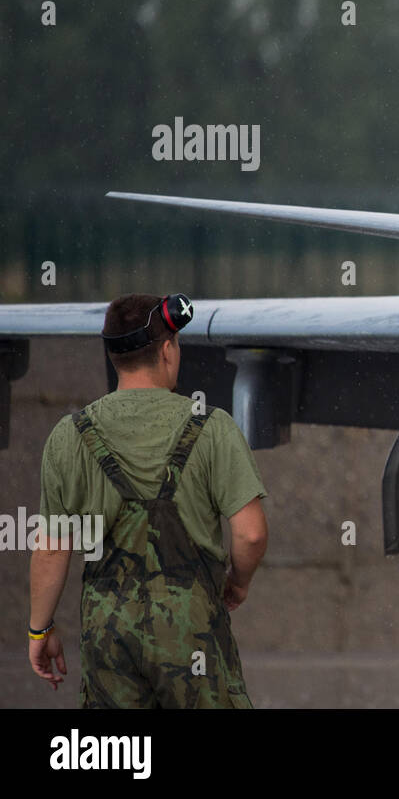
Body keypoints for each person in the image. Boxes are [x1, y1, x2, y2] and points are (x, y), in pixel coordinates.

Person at [28, 292, 268, 707]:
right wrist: (238, 584)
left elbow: (51, 549)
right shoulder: (211, 428)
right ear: (168, 350)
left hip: (108, 633)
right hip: (189, 633)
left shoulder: (70, 435)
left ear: (114, 356)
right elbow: (250, 534)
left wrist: (39, 630)